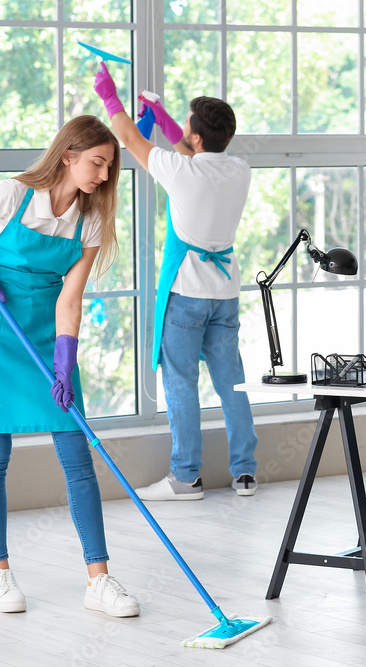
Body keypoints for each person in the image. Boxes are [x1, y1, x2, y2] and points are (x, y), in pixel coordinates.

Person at [0, 115, 140, 617]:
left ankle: (99, 580)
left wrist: (65, 362)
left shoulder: (89, 220)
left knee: (77, 456)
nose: (104, 176)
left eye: (110, 167)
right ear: (68, 155)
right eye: (98, 163)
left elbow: (71, 299)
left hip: (46, 335)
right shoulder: (11, 195)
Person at [93, 64, 259, 501]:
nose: (181, 130)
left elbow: (130, 140)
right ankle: (245, 473)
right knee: (232, 384)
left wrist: (110, 96)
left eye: (187, 126)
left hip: (186, 295)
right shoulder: (239, 170)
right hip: (224, 295)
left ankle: (185, 478)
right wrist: (164, 115)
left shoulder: (182, 172)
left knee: (181, 383)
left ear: (198, 137)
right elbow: (187, 149)